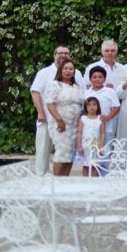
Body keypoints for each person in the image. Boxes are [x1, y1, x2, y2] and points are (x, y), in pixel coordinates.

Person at [30, 44, 83, 175]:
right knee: (44, 151)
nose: (63, 55)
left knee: (68, 152)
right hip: (49, 119)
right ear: (55, 55)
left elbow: (83, 95)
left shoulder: (77, 75)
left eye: (66, 53)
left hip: (73, 124)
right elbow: (35, 92)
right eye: (60, 53)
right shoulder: (44, 73)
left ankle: (62, 182)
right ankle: (42, 180)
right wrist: (40, 113)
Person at [45, 59, 84, 175]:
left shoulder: (76, 86)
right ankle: (56, 182)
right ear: (60, 70)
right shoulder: (54, 84)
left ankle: (65, 181)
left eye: (71, 69)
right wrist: (59, 119)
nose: (68, 71)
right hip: (60, 124)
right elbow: (50, 103)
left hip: (75, 125)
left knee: (70, 154)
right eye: (65, 68)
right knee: (62, 152)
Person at [84, 66, 120, 144]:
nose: (97, 79)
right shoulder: (86, 93)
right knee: (90, 152)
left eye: (100, 77)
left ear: (104, 79)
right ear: (90, 79)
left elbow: (116, 107)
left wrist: (107, 118)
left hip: (106, 129)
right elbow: (84, 109)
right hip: (89, 129)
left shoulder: (110, 91)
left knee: (104, 152)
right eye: (94, 77)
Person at [75, 96, 104, 176]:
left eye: (94, 105)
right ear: (85, 107)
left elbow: (102, 133)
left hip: (96, 148)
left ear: (98, 107)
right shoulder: (83, 119)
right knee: (85, 166)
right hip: (85, 147)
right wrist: (79, 146)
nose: (92, 107)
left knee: (95, 166)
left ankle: (93, 183)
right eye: (89, 105)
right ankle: (85, 183)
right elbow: (79, 133)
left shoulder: (100, 119)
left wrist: (101, 146)